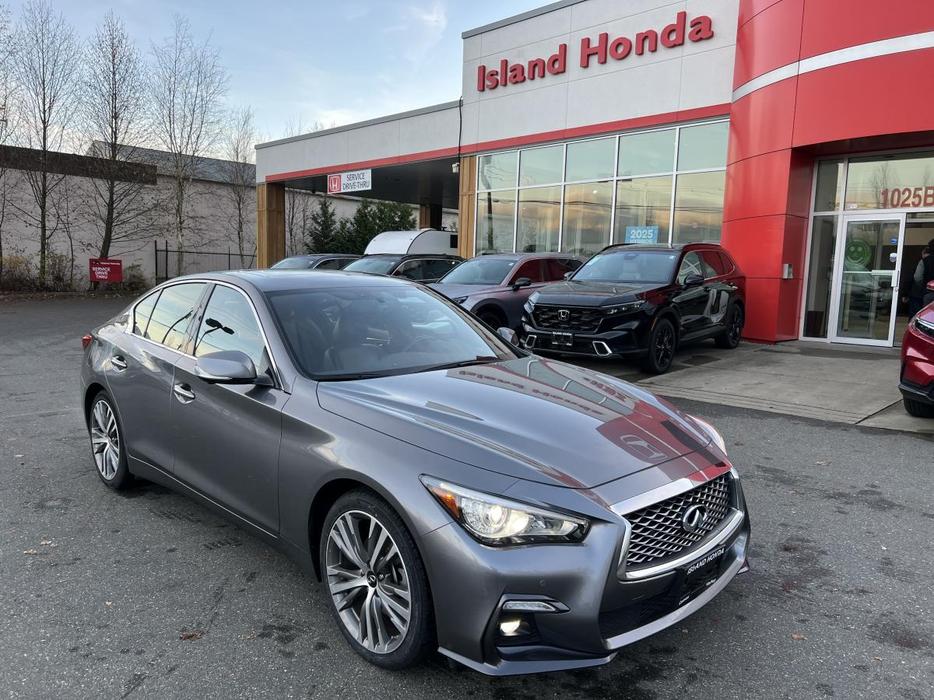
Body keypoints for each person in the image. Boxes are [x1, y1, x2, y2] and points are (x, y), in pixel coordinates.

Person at [908, 245, 930, 317]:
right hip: (926, 294)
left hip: (918, 293)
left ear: (923, 253)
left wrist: (923, 286)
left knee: (915, 315)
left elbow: (917, 277)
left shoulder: (922, 261)